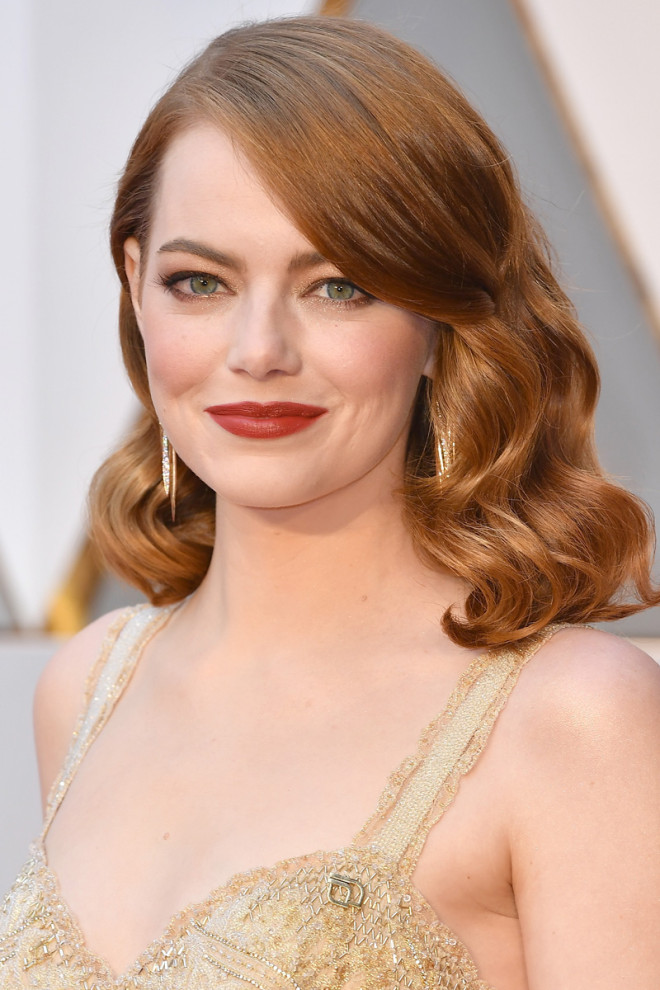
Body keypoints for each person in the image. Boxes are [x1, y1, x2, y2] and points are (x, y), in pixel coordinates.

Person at [2, 15, 659, 989]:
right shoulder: (87, 687)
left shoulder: (574, 720)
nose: (259, 350)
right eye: (200, 282)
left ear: (439, 318)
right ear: (135, 287)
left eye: (339, 287)